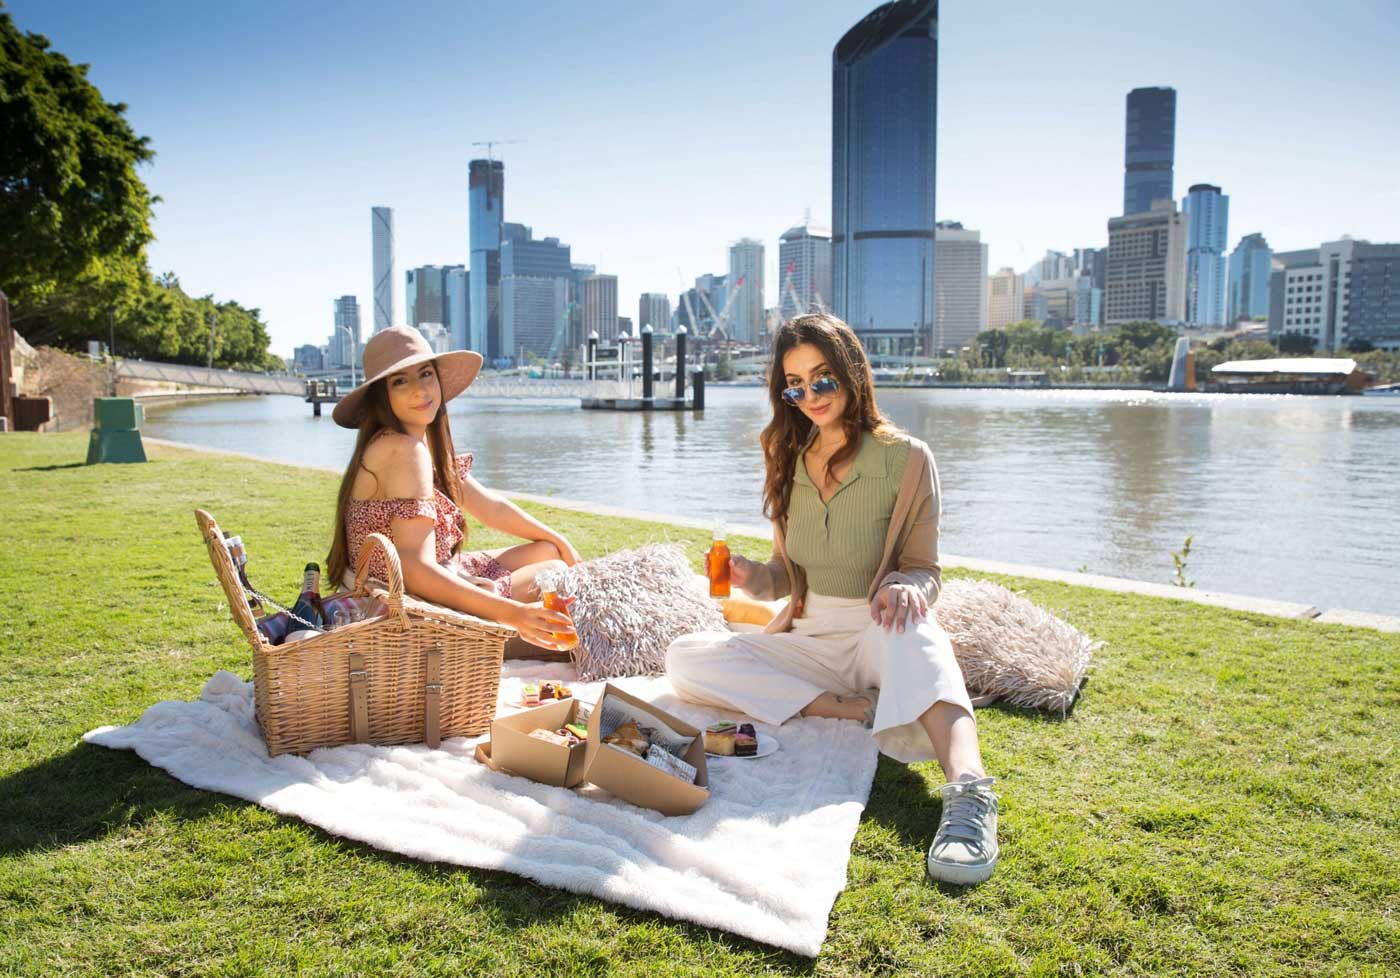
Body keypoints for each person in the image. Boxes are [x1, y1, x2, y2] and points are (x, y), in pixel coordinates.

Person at [665, 313, 999, 885]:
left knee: (915, 627)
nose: (811, 395)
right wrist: (750, 575)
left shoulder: (907, 458)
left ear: (851, 372)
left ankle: (969, 796)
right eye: (796, 385)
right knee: (684, 657)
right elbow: (782, 579)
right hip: (808, 636)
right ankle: (843, 707)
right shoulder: (786, 456)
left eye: (822, 378)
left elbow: (925, 570)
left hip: (877, 627)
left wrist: (905, 586)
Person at [325, 325, 577, 652]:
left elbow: (492, 508)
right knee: (554, 572)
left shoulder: (419, 445)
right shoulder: (403, 451)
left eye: (425, 374)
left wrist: (561, 539)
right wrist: (514, 615)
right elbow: (414, 570)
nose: (419, 390)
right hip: (410, 611)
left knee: (548, 551)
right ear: (381, 396)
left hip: (430, 581)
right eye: (400, 381)